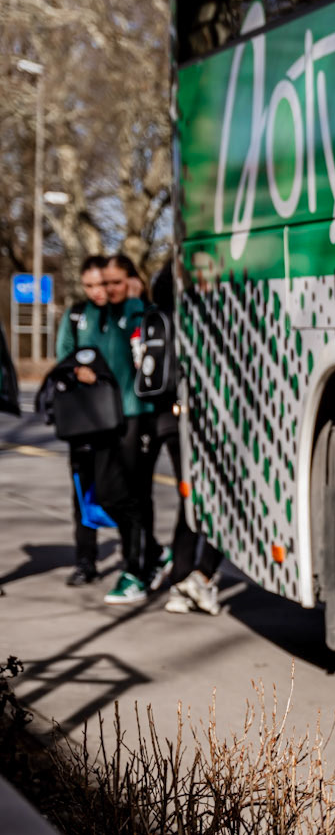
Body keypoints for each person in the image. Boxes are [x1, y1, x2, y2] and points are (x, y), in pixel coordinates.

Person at [148, 260, 225, 615]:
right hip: (196, 418)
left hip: (170, 417)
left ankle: (184, 580)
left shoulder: (161, 314)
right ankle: (202, 575)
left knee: (190, 497)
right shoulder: (202, 317)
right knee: (219, 496)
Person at [94, 252, 168, 607]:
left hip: (138, 414)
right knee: (108, 493)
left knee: (137, 494)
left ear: (131, 281)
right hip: (107, 417)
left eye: (115, 282)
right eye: (105, 283)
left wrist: (137, 299)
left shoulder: (138, 313)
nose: (109, 289)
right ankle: (154, 552)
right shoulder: (102, 315)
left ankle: (136, 570)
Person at [54, 253, 112, 585]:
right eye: (89, 286)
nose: (96, 292)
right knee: (83, 491)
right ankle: (86, 560)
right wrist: (77, 370)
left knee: (121, 491)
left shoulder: (124, 312)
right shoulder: (76, 316)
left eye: (101, 284)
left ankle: (141, 555)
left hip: (116, 418)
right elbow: (63, 355)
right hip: (84, 419)